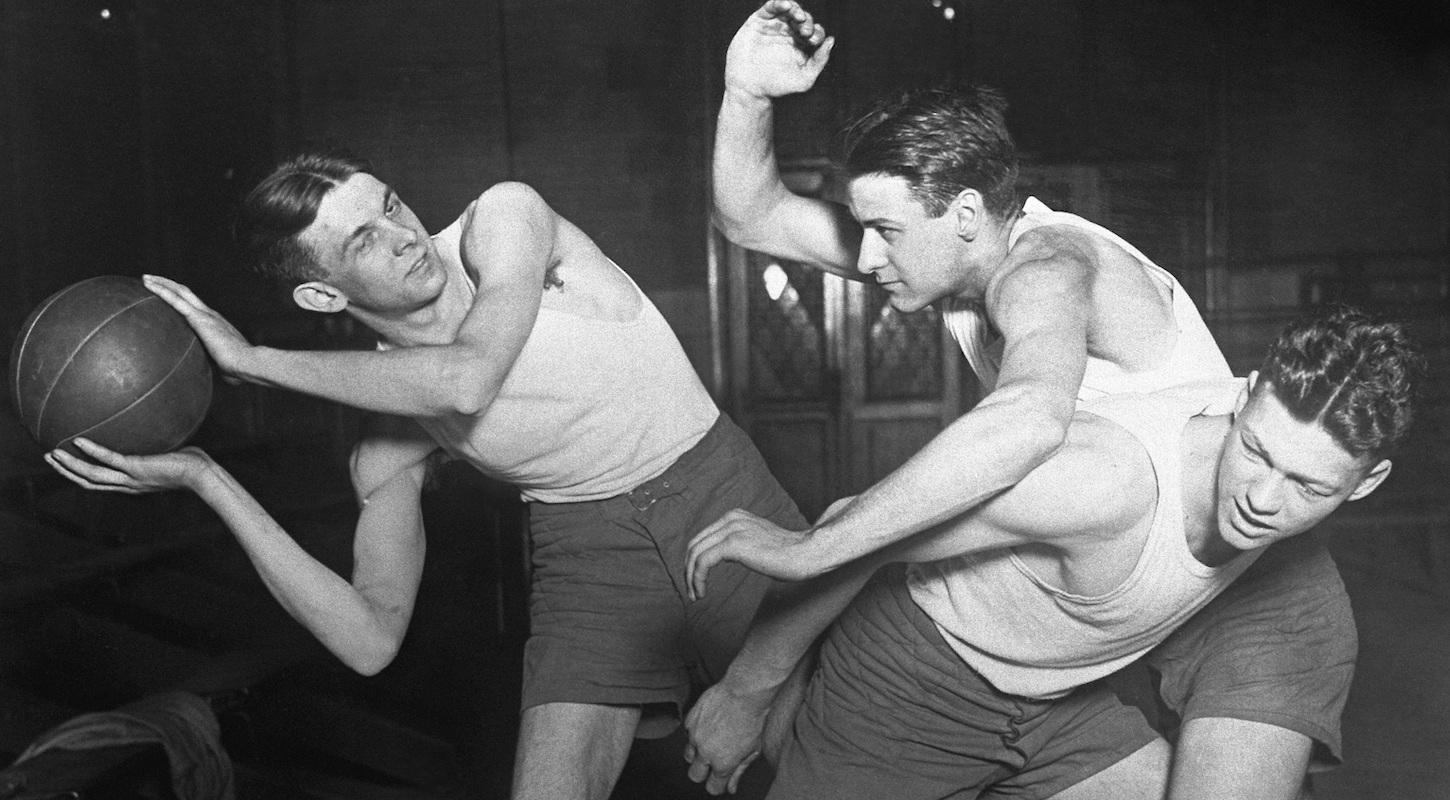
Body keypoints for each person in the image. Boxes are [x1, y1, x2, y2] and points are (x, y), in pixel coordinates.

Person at [683, 3, 1364, 798]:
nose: (866, 257)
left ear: (966, 213)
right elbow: (752, 216)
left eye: (886, 231)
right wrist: (746, 93)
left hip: (1249, 563)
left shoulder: (1045, 270)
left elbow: (1031, 419)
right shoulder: (949, 258)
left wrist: (803, 561)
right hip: (1114, 572)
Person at [46, 151, 805, 800]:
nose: (405, 235)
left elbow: (466, 380)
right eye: (364, 240)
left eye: (391, 204)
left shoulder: (503, 221)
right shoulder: (389, 434)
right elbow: (369, 638)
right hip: (587, 554)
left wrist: (252, 363)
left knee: (841, 763)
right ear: (322, 296)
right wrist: (207, 478)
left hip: (717, 493)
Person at [690, 308, 1421, 799]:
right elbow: (851, 536)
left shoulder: (1275, 516)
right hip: (911, 681)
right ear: (1246, 396)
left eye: (1307, 485)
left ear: (1366, 484)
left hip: (1051, 704)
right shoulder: (1102, 480)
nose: (1264, 498)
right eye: (1258, 452)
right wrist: (742, 697)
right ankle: (806, 715)